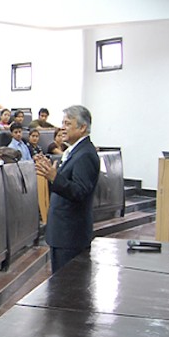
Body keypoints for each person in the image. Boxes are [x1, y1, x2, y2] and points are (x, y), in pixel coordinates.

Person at [34, 105, 100, 273]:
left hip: (71, 235)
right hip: (63, 233)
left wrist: (55, 178)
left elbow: (79, 191)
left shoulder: (85, 154)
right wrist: (53, 176)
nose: (62, 127)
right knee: (60, 285)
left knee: (68, 288)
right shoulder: (75, 150)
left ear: (82, 127)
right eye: (62, 123)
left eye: (68, 123)